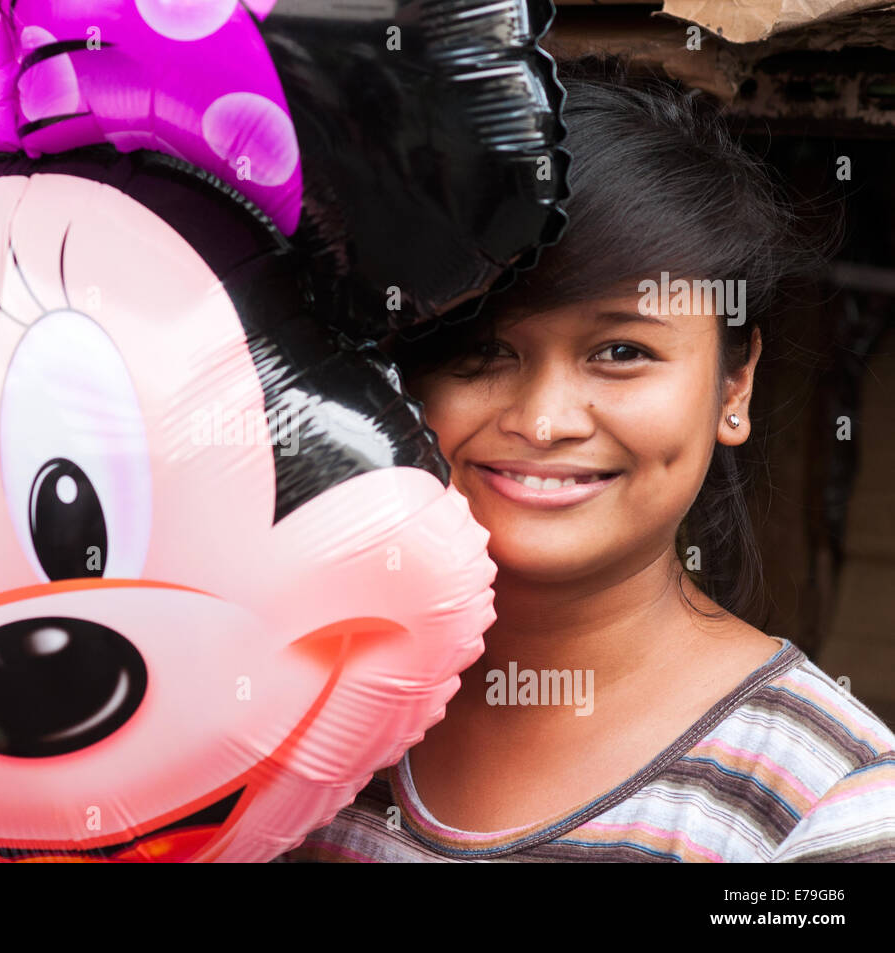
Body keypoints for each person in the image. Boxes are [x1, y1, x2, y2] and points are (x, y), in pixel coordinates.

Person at [279, 57, 895, 862]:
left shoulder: (826, 804)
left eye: (620, 350)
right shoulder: (292, 707)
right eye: (482, 349)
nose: (543, 420)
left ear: (733, 382)